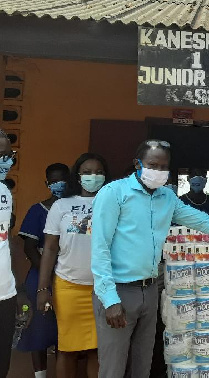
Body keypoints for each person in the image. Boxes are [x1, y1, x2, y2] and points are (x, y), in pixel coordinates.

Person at [90, 140, 209, 377]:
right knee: (113, 368)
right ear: (138, 164)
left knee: (141, 365)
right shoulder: (114, 193)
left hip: (149, 290)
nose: (157, 171)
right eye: (152, 165)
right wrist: (109, 299)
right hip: (118, 291)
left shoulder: (166, 197)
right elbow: (100, 247)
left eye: (163, 167)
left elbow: (205, 222)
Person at [36, 153, 109, 378]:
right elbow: (49, 248)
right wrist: (42, 288)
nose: (92, 176)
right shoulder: (61, 206)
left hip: (103, 290)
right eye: (87, 172)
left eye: (98, 172)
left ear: (105, 177)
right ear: (77, 176)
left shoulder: (114, 205)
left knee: (97, 351)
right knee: (67, 349)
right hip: (68, 287)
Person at [17, 163, 69, 377]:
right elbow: (29, 247)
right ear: (46, 183)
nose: (59, 184)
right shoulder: (37, 210)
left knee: (63, 333)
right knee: (39, 329)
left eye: (63, 179)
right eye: (54, 181)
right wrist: (48, 273)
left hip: (69, 277)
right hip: (40, 277)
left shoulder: (74, 208)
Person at [0, 131, 31, 378]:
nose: (6, 160)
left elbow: (5, 241)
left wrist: (18, 287)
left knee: (2, 364)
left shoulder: (4, 192)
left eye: (8, 154)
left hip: (5, 294)